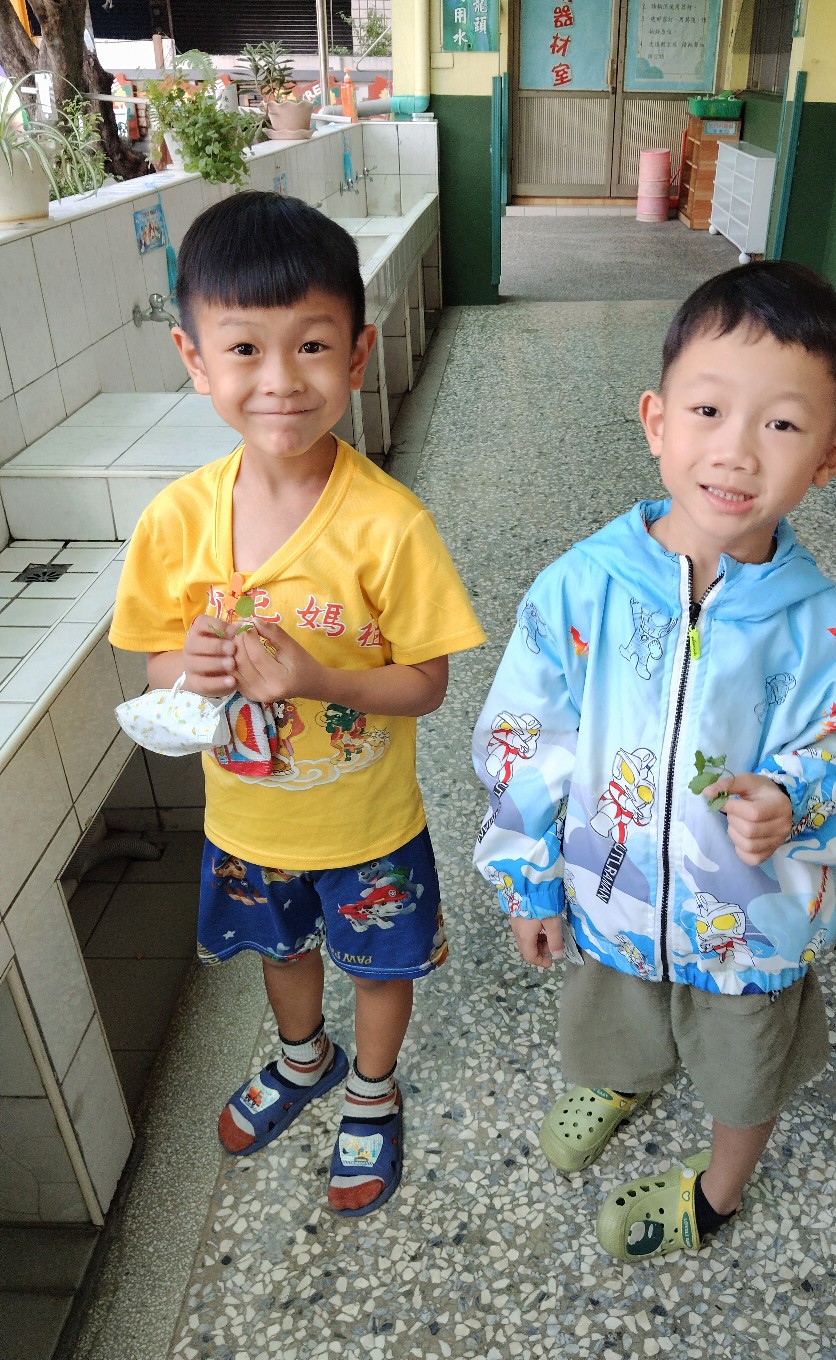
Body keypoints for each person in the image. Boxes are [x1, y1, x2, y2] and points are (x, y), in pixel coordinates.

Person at [473, 260, 836, 1260]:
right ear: (657, 421)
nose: (735, 451)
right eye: (708, 410)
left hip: (748, 929)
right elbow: (525, 736)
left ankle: (720, 1188)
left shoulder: (822, 631)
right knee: (614, 1017)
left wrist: (796, 799)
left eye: (781, 424)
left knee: (745, 1068)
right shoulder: (581, 589)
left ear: (833, 455)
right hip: (609, 895)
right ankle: (624, 1079)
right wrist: (529, 880)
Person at [110, 191, 485, 1217]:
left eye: (312, 345)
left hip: (369, 824)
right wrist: (189, 667)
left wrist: (315, 679)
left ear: (357, 354)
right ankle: (304, 1058)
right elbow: (153, 664)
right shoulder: (175, 522)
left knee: (378, 962)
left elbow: (427, 683)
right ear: (195, 360)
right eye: (244, 349)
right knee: (280, 952)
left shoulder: (390, 527)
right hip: (249, 821)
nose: (280, 379)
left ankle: (373, 1086)